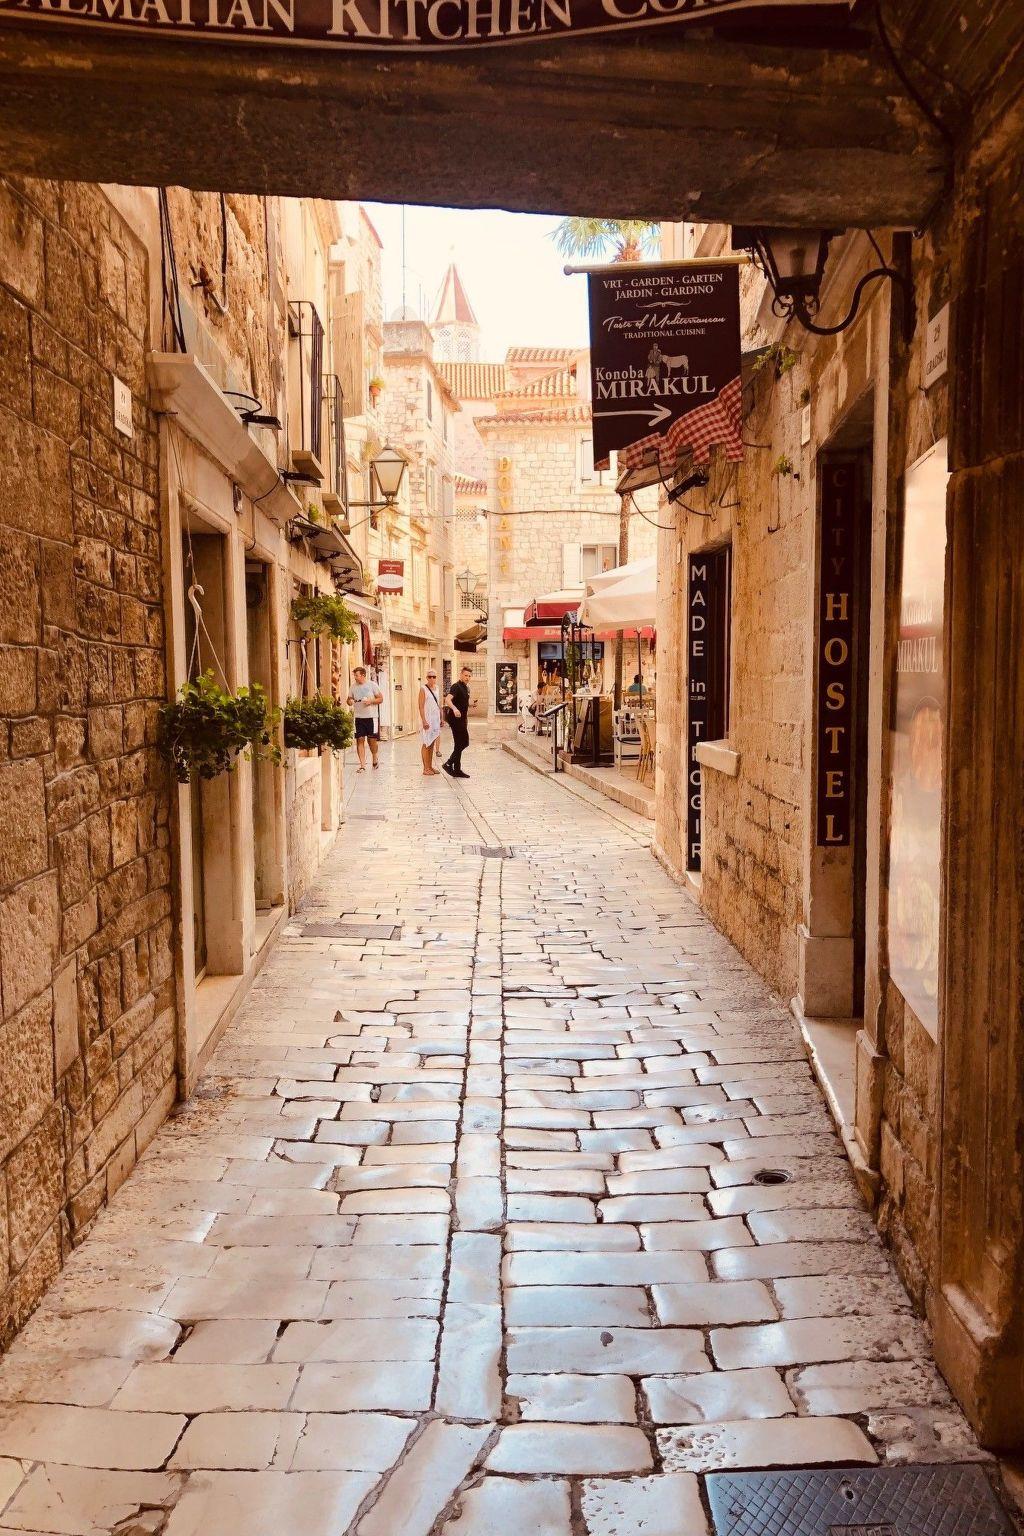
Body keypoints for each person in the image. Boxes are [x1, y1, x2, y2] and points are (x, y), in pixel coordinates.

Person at [347, 665, 383, 771]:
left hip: (371, 717)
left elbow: (380, 699)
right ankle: (362, 765)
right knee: (360, 740)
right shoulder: (353, 687)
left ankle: (375, 757)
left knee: (372, 741)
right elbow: (348, 699)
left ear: (363, 675)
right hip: (358, 717)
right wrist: (350, 701)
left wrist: (370, 701)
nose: (355, 677)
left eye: (356, 675)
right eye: (354, 675)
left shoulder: (372, 685)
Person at [443, 665, 472, 778]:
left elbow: (462, 702)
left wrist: (471, 704)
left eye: (469, 676)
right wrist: (455, 709)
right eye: (465, 675)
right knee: (464, 742)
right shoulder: (456, 686)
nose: (467, 678)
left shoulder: (465, 687)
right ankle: (448, 763)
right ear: (461, 675)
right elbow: (447, 699)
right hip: (456, 720)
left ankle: (457, 769)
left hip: (462, 719)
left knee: (459, 744)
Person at [418, 670, 442, 776]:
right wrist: (424, 720)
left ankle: (430, 766)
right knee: (426, 743)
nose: (432, 678)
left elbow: (438, 704)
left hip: (435, 719)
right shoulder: (423, 689)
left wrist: (441, 718)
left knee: (432, 742)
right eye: (430, 676)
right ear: (427, 678)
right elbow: (421, 706)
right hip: (427, 719)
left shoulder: (437, 688)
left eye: (434, 676)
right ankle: (425, 768)